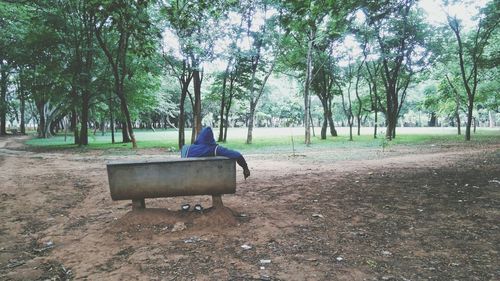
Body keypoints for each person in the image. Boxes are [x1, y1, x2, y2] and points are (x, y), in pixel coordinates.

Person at [181, 127, 250, 179]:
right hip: (206, 179)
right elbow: (238, 155)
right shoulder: (214, 149)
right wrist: (245, 168)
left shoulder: (186, 148)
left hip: (187, 178)